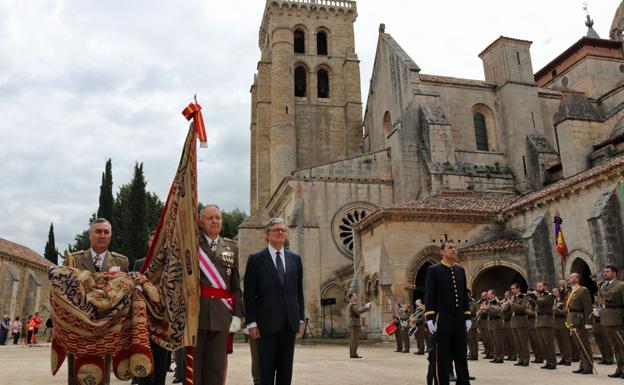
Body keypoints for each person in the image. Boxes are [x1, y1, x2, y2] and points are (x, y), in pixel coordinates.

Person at [63, 218, 129, 385]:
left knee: (102, 374)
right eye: (98, 231)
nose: (102, 235)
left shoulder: (121, 262)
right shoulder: (74, 260)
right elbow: (63, 291)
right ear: (90, 235)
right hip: (79, 328)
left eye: (106, 232)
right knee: (76, 374)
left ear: (111, 236)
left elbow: (124, 295)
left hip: (105, 327)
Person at [244, 217, 305, 385]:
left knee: (286, 370)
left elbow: (298, 291)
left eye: (283, 230)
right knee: (266, 370)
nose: (280, 232)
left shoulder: (295, 259)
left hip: (289, 322)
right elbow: (248, 294)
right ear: (267, 235)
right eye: (276, 230)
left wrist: (300, 317)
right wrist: (251, 322)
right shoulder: (256, 259)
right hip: (265, 324)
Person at [193, 205, 243, 385]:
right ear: (200, 222)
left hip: (222, 316)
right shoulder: (193, 244)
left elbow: (236, 286)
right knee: (194, 368)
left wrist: (237, 314)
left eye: (218, 218)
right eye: (210, 218)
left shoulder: (231, 247)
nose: (215, 221)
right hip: (196, 315)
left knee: (216, 368)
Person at [424, 239, 471, 385]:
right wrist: (430, 317)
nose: (454, 250)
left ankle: (463, 382)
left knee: (461, 354)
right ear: (442, 252)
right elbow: (430, 294)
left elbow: (464, 296)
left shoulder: (460, 270)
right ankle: (441, 382)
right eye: (450, 247)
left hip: (458, 319)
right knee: (442, 355)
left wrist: (467, 315)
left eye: (455, 247)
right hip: (442, 318)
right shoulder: (434, 270)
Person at [133, 230, 171, 385]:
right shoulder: (139, 264)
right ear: (148, 243)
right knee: (143, 360)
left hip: (163, 321)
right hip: (144, 321)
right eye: (152, 241)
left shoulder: (169, 263)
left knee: (161, 365)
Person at [598, 265, 624, 378]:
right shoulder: (603, 286)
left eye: (607, 271)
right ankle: (619, 368)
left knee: (622, 345)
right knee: (615, 347)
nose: (605, 273)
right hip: (606, 320)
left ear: (614, 273)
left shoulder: (621, 285)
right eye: (604, 271)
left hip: (617, 319)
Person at [566, 273, 593, 375]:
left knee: (584, 344)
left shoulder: (583, 290)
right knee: (578, 345)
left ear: (577, 279)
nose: (569, 278)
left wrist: (588, 322)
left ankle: (588, 367)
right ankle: (583, 365)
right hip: (573, 320)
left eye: (572, 277)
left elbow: (588, 307)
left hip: (580, 320)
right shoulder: (571, 291)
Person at [534, 282, 556, 370]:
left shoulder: (549, 296)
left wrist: (535, 297)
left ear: (545, 287)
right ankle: (548, 361)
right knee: (542, 344)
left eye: (540, 286)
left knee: (548, 343)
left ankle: (552, 362)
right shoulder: (540, 296)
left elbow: (542, 302)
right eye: (537, 286)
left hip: (546, 321)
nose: (538, 288)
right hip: (539, 321)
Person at [509, 283, 530, 367]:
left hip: (521, 321)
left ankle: (526, 359)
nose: (512, 290)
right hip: (514, 321)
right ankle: (520, 358)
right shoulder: (512, 297)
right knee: (517, 342)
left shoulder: (524, 296)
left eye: (513, 288)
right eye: (511, 289)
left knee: (523, 342)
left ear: (518, 289)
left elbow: (523, 308)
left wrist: (512, 304)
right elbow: (510, 310)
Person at [552, 287, 572, 366]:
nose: (553, 293)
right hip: (555, 323)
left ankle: (568, 358)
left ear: (559, 292)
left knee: (565, 342)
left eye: (555, 292)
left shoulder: (564, 300)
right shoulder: (555, 300)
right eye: (553, 292)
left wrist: (556, 309)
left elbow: (565, 312)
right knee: (559, 342)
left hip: (563, 322)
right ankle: (563, 357)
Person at [593, 293, 614, 365]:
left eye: (597, 298)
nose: (596, 299)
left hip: (602, 324)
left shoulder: (603, 305)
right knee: (600, 343)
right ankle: (604, 357)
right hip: (595, 325)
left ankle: (609, 358)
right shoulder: (594, 305)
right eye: (595, 298)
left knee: (606, 343)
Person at [348, 292, 370, 358]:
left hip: (353, 323)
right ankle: (353, 354)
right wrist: (366, 308)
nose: (356, 297)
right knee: (354, 339)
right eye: (355, 296)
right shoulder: (352, 304)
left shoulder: (352, 304)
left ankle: (353, 353)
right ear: (352, 297)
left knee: (353, 339)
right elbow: (358, 311)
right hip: (354, 323)